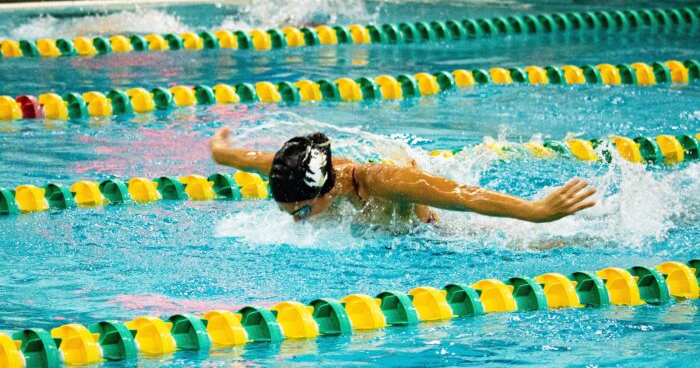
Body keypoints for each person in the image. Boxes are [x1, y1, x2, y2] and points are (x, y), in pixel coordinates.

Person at [209, 128, 596, 224]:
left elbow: (463, 195)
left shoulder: (378, 180)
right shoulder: (296, 176)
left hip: (436, 234)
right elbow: (248, 158)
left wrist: (536, 210)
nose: (296, 222)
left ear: (325, 193)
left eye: (303, 214)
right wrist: (220, 152)